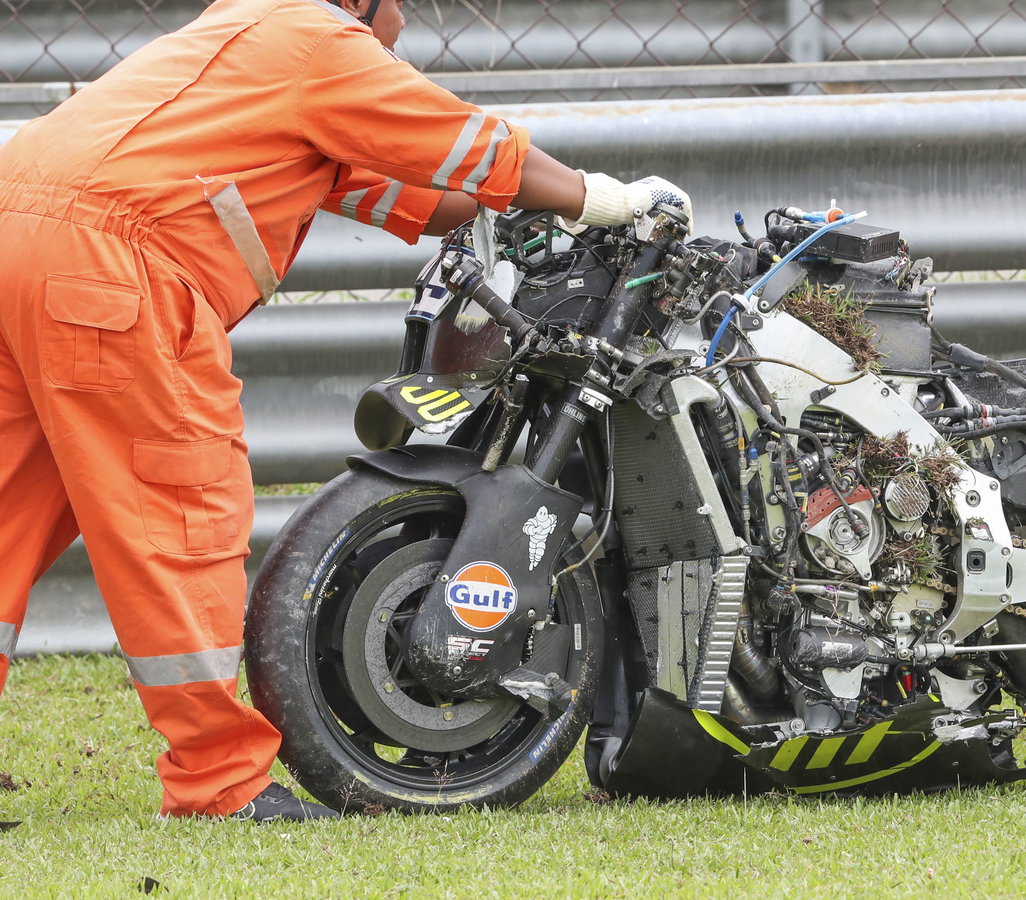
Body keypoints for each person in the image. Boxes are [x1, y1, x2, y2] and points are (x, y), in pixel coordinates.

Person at [0, 0, 685, 822]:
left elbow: (425, 195)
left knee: (9, 511)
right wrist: (596, 198)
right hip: (112, 270)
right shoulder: (316, 38)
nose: (399, 28)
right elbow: (471, 145)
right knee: (180, 512)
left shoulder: (242, 37)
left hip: (18, 238)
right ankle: (219, 784)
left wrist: (526, 211)